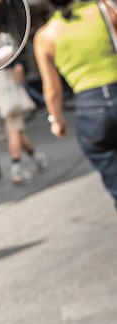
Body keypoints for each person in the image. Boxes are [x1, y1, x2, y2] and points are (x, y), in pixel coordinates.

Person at [34, 0, 117, 210]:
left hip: (90, 110)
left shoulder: (45, 36)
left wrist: (56, 121)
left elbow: (52, 90)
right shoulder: (104, 9)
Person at [0, 58, 49, 184]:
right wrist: (19, 81)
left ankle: (36, 157)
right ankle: (16, 169)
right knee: (14, 131)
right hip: (8, 95)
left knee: (17, 130)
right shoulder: (1, 48)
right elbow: (18, 69)